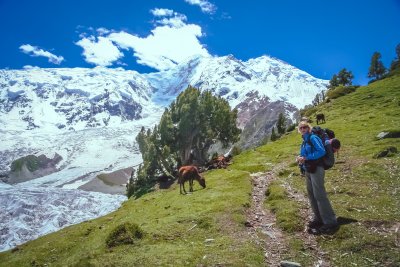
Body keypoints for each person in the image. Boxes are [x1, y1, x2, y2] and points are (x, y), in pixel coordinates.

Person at [296, 121, 338, 234]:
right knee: (311, 194)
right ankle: (318, 218)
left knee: (319, 195)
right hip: (309, 169)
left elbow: (321, 151)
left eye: (305, 127)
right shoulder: (304, 141)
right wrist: (300, 158)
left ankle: (330, 221)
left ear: (308, 128)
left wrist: (307, 158)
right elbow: (304, 155)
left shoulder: (313, 137)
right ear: (299, 130)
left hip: (317, 168)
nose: (303, 129)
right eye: (301, 128)